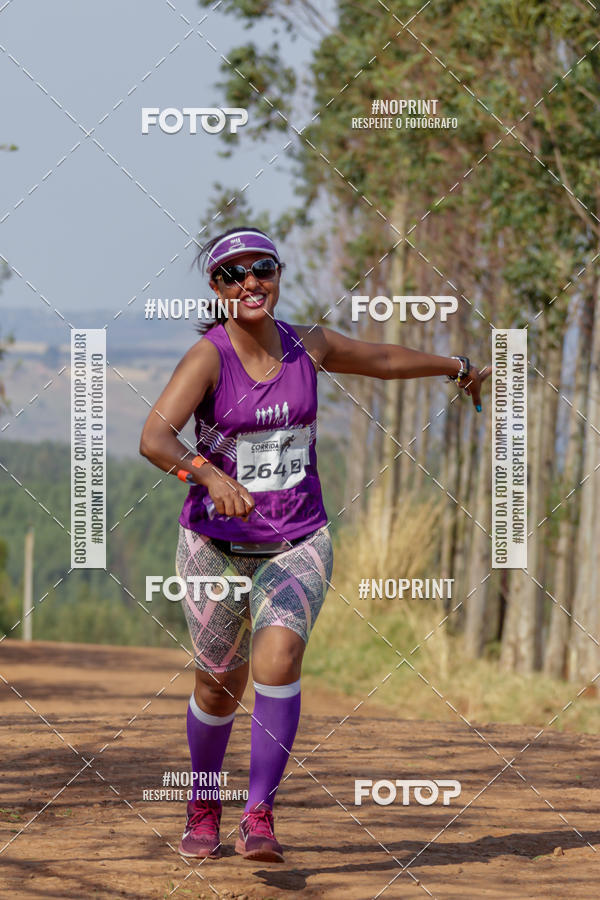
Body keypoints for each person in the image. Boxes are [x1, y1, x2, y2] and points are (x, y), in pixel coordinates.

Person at [139, 226, 486, 863]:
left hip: (297, 539)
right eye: (233, 275)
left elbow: (380, 361)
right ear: (216, 289)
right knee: (220, 683)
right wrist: (211, 475)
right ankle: (203, 803)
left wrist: (456, 367)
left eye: (262, 269)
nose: (250, 283)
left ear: (277, 275)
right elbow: (155, 440)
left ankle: (260, 814)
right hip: (214, 546)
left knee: (279, 661)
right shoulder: (208, 359)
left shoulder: (308, 346)